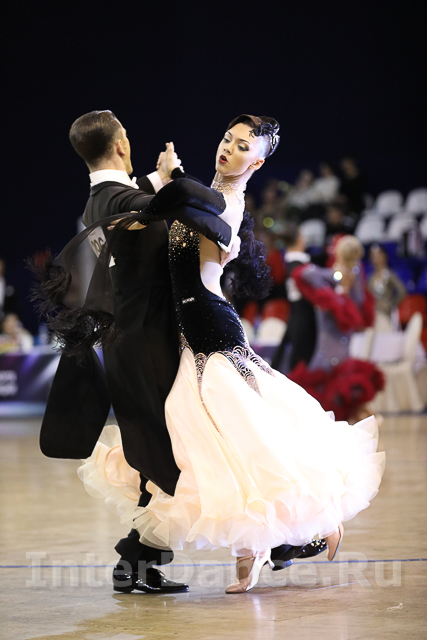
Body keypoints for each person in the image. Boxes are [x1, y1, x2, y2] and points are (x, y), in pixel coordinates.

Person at [78, 115, 385, 594]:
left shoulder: (223, 202)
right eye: (227, 138)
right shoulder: (202, 196)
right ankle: (277, 540)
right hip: (186, 331)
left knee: (234, 433)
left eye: (243, 146)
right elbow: (171, 210)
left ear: (257, 162)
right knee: (217, 438)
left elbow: (198, 216)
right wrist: (171, 180)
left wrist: (182, 190)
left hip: (210, 327)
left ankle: (288, 533)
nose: (229, 148)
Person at [31, 109, 237, 595]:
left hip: (136, 344)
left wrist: (159, 178)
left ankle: (137, 562)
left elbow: (138, 198)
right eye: (125, 135)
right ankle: (141, 559)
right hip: (144, 347)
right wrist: (183, 181)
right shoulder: (119, 201)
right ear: (121, 145)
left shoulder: (102, 200)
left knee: (161, 456)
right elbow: (168, 204)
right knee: (169, 455)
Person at [288, 235, 384, 422]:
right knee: (333, 370)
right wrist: (339, 283)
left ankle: (345, 419)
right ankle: (360, 419)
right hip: (336, 329)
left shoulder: (348, 272)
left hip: (336, 328)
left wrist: (340, 289)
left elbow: (307, 274)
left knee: (331, 370)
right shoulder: (346, 272)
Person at [271, 223, 317, 373]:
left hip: (297, 318)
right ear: (299, 239)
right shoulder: (300, 267)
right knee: (299, 369)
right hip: (304, 322)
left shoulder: (293, 264)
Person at [368, 244, 407, 332]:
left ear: (384, 256)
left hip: (385, 313)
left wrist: (391, 304)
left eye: (377, 256)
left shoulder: (388, 275)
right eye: (373, 256)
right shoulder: (371, 277)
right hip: (372, 313)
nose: (375, 259)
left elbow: (402, 291)